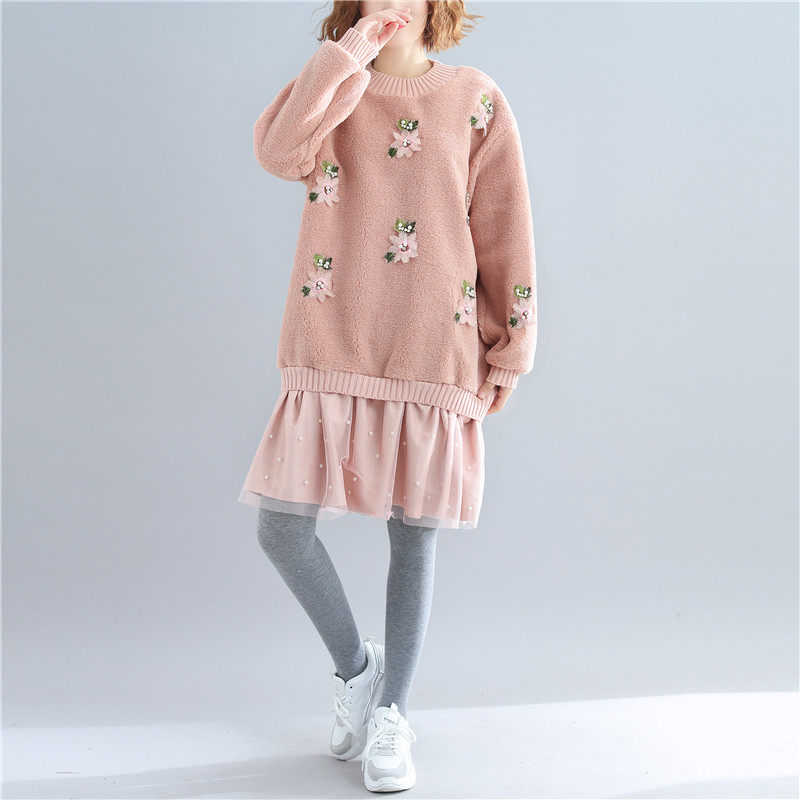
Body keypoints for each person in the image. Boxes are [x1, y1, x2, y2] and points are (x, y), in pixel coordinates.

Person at [239, 0, 537, 791]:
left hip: (434, 343)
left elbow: (504, 225)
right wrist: (346, 56)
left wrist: (511, 348)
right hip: (331, 332)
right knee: (282, 531)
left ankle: (393, 714)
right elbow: (277, 152)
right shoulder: (333, 86)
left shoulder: (474, 97)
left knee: (415, 536)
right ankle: (356, 669)